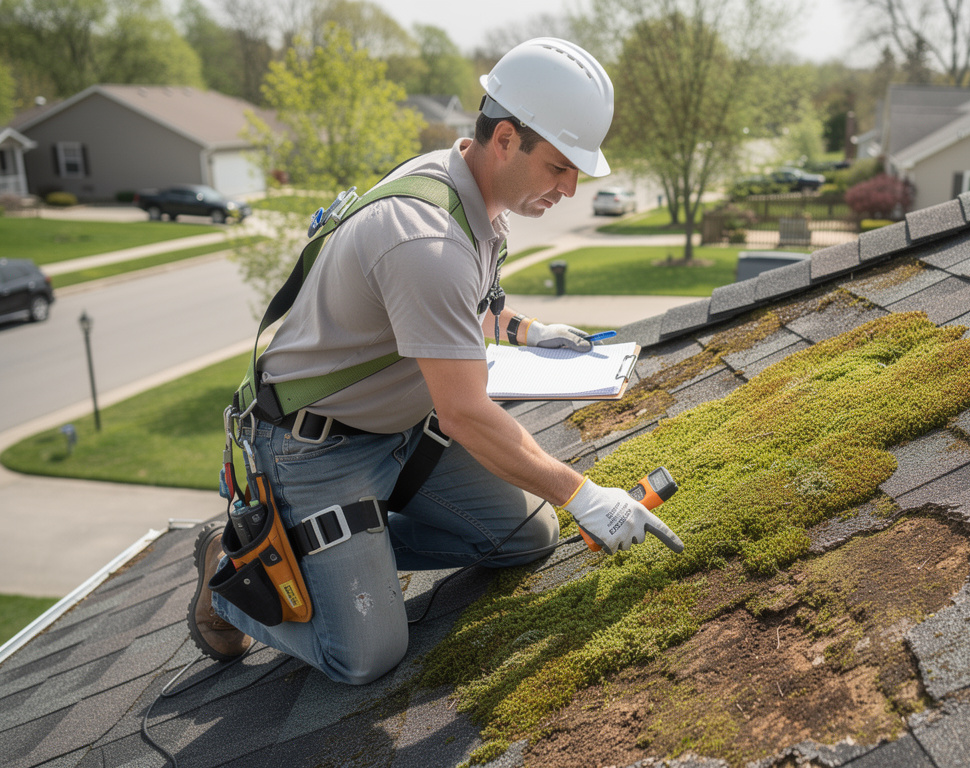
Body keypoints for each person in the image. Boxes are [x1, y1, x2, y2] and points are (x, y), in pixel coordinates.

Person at [187, 38, 682, 685]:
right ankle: (228, 570)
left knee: (527, 538)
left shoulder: (473, 199)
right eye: (562, 167)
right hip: (315, 451)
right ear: (506, 138)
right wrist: (583, 495)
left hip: (400, 436)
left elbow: (443, 311)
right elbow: (466, 411)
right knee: (365, 655)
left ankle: (335, 559)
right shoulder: (426, 237)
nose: (571, 187)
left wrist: (525, 329)